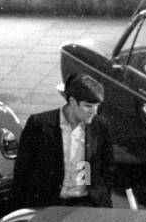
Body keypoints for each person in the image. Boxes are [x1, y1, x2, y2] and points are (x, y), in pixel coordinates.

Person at [11, 73, 115, 209]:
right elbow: (22, 170)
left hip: (87, 203)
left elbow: (107, 167)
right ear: (72, 101)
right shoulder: (39, 125)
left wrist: (101, 198)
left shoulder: (100, 126)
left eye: (97, 106)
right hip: (51, 204)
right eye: (88, 106)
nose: (93, 112)